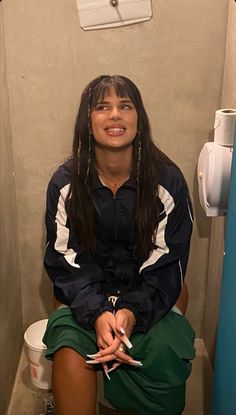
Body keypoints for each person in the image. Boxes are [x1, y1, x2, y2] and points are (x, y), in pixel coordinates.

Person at [43, 75, 195, 415]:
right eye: (103, 107)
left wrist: (129, 312)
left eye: (125, 106)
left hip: (149, 296)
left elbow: (168, 263)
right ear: (88, 120)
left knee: (165, 349)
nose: (115, 115)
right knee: (69, 354)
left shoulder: (167, 181)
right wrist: (99, 313)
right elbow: (64, 262)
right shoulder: (65, 184)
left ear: (138, 119)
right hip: (85, 297)